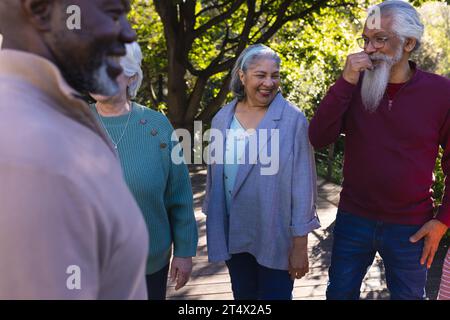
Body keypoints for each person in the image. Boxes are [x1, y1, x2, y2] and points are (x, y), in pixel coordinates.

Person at [0, 0, 149, 299]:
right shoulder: (36, 158)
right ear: (41, 10)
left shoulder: (51, 118)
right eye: (113, 14)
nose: (129, 33)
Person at [309, 1, 450, 300]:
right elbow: (318, 137)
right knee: (339, 295)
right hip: (353, 218)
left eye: (380, 39)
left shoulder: (441, 93)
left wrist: (443, 220)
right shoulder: (353, 84)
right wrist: (345, 82)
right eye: (365, 39)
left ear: (409, 43)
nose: (369, 48)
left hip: (411, 226)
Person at [203, 44, 321, 300]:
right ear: (243, 76)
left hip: (274, 235)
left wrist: (300, 245)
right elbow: (215, 180)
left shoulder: (293, 120)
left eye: (275, 75)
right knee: (243, 296)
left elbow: (303, 186)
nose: (269, 82)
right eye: (260, 75)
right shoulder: (222, 119)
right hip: (235, 232)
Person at [90, 42, 198, 300]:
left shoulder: (157, 126)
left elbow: (179, 194)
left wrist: (184, 251)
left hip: (149, 264)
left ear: (131, 75)